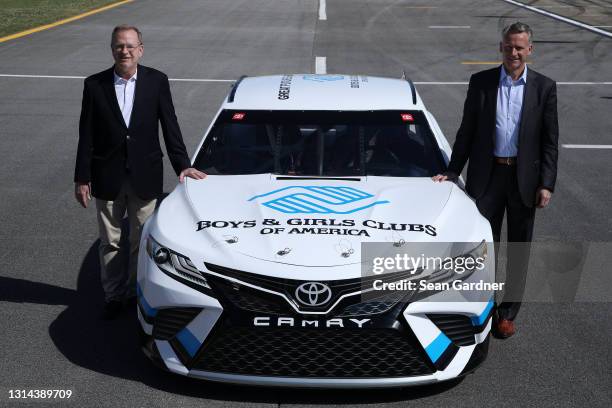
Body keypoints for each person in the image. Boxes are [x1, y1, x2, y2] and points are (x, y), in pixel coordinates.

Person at [433, 22, 558, 338]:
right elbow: (467, 131)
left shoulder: (544, 87)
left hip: (523, 180)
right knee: (484, 247)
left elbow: (549, 142)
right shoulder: (481, 82)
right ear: (500, 47)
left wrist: (546, 183)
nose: (513, 52)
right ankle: (483, 307)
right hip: (487, 177)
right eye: (508, 46)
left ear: (530, 49)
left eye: (519, 47)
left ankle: (507, 313)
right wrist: (453, 169)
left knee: (518, 248)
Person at [74, 25, 206, 319]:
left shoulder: (156, 81)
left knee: (141, 240)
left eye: (130, 46)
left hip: (145, 175)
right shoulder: (94, 85)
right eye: (119, 46)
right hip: (107, 176)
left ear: (141, 49)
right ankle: (113, 296)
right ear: (112, 49)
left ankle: (135, 292)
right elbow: (87, 134)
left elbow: (170, 125)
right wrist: (82, 177)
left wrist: (183, 164)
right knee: (110, 241)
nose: (125, 51)